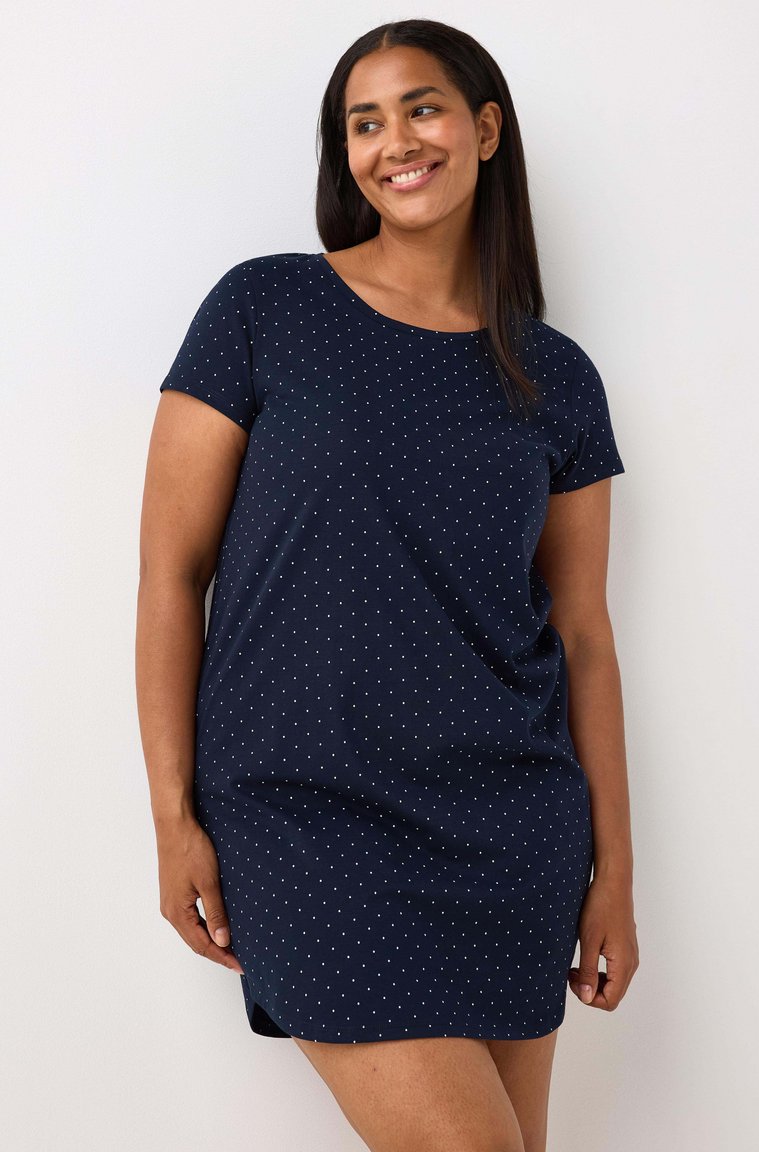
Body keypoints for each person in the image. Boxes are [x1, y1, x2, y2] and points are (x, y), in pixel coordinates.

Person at [136, 17, 638, 1152]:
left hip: (509, 828)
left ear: (485, 130)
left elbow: (583, 635)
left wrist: (613, 872)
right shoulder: (262, 309)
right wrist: (172, 817)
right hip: (303, 819)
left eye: (420, 109)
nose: (394, 142)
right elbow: (171, 574)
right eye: (363, 123)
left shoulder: (556, 376)